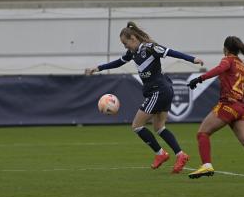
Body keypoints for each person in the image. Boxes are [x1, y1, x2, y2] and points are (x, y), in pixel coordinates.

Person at [86, 21, 204, 173]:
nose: (125, 46)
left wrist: (193, 59)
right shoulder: (133, 53)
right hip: (163, 90)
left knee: (137, 126)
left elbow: (170, 52)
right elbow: (118, 63)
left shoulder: (150, 48)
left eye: (125, 43)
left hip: (158, 91)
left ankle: (160, 154)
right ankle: (180, 155)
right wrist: (98, 68)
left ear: (133, 38)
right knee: (159, 127)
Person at [187, 36, 244, 182]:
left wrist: (200, 79)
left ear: (225, 49)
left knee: (203, 133)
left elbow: (220, 69)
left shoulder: (228, 60)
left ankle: (206, 165)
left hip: (228, 104)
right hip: (242, 107)